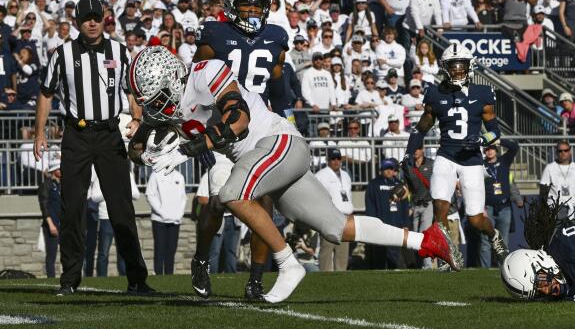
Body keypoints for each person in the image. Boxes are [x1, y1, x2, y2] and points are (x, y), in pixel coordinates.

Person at [128, 46, 460, 303]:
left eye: (157, 97)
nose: (155, 107)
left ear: (172, 77)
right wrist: (147, 154)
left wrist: (194, 145)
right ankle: (427, 240)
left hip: (278, 142)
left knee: (230, 194)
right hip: (273, 160)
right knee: (335, 227)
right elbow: (137, 145)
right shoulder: (165, 110)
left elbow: (238, 120)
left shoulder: (205, 73)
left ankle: (288, 263)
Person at [33, 0, 151, 296]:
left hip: (110, 134)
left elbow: (131, 90)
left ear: (104, 18)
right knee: (72, 208)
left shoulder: (119, 51)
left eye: (97, 17)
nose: (92, 22)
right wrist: (39, 132)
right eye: (86, 18)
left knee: (121, 207)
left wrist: (136, 118)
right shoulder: (62, 54)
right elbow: (46, 93)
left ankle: (137, 279)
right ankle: (70, 280)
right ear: (77, 22)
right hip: (77, 135)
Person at [191, 0, 298, 301]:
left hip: (259, 133)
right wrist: (201, 136)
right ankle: (201, 260)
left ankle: (255, 280)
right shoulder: (214, 35)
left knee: (265, 207)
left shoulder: (276, 37)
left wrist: (288, 126)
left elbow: (279, 91)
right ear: (231, 5)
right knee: (217, 204)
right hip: (223, 133)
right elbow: (196, 86)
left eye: (258, 5)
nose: (252, 11)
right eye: (246, 4)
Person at [404, 43, 509, 269]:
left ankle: (494, 235)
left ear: (469, 66)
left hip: (472, 159)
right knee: (439, 207)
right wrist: (409, 152)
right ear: (445, 68)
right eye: (453, 66)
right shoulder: (435, 93)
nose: (457, 70)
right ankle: (445, 255)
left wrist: (482, 140)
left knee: (475, 219)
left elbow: (495, 131)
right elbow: (421, 128)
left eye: (461, 65)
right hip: (446, 155)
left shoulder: (482, 93)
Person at [501, 198, 575, 301]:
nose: (546, 291)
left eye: (540, 282)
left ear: (539, 262)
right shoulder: (562, 294)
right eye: (538, 293)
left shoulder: (569, 245)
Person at [365, 158, 414, 269]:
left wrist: (405, 224)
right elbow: (370, 205)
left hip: (396, 224)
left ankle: (394, 274)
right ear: (382, 169)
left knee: (395, 254)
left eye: (391, 169)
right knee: (379, 253)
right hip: (380, 224)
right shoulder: (374, 184)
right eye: (386, 168)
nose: (389, 171)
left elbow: (405, 206)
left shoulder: (400, 185)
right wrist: (372, 223)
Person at [481, 139, 519, 268]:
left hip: (504, 207)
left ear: (496, 150)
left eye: (492, 148)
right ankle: (484, 271)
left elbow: (514, 147)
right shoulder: (481, 165)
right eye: (487, 149)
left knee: (503, 241)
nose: (489, 151)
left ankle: (503, 268)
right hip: (488, 208)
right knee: (485, 241)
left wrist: (499, 140)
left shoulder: (504, 161)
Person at [314, 149, 352, 271]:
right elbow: (317, 197)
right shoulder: (320, 175)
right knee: (327, 248)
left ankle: (341, 275)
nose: (336, 161)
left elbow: (348, 196)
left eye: (338, 158)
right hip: (329, 216)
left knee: (343, 251)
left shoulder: (346, 175)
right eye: (333, 159)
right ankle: (324, 275)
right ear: (328, 160)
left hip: (345, 216)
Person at [146, 169, 187, 275]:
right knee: (160, 248)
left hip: (175, 220)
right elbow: (149, 195)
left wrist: (179, 214)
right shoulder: (155, 175)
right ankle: (158, 275)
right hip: (159, 220)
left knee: (171, 249)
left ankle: (169, 275)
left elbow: (183, 198)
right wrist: (161, 212)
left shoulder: (179, 176)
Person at [540, 140, 575, 224]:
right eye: (560, 151)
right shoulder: (549, 168)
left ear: (570, 151)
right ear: (556, 152)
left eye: (566, 150)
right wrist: (543, 211)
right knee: (556, 236)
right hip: (554, 209)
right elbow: (543, 192)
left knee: (574, 236)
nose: (563, 153)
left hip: (573, 208)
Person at [402, 145, 434, 268]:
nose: (416, 150)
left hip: (428, 203)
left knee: (424, 234)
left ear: (423, 149)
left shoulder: (431, 164)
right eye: (414, 149)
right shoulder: (408, 166)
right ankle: (420, 264)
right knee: (415, 236)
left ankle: (427, 266)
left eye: (418, 148)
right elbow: (407, 187)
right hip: (415, 205)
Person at [37, 157, 61, 278]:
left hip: (63, 224)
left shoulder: (62, 184)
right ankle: (51, 278)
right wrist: (51, 224)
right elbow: (44, 206)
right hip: (52, 225)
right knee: (51, 255)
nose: (61, 170)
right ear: (53, 170)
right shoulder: (46, 185)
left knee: (68, 253)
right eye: (59, 168)